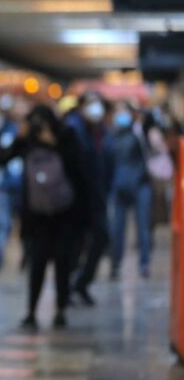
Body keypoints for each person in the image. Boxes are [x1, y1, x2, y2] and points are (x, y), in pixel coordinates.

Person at [0, 104, 86, 330]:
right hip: (37, 216)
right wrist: (19, 138)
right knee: (37, 264)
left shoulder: (66, 135)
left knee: (62, 264)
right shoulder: (28, 139)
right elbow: (0, 159)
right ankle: (31, 311)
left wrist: (54, 143)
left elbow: (80, 168)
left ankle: (61, 309)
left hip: (64, 213)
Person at [66, 92, 114, 306]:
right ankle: (66, 287)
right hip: (77, 199)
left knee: (101, 239)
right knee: (75, 246)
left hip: (98, 197)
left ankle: (82, 283)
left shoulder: (102, 132)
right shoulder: (73, 129)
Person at [108, 101, 153, 279]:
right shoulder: (110, 136)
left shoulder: (140, 132)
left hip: (140, 185)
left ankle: (144, 264)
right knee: (117, 229)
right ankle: (116, 264)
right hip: (119, 188)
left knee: (143, 228)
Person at [0, 94, 26, 273]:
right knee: (3, 222)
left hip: (26, 187)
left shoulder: (31, 130)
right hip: (6, 185)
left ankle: (28, 256)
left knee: (25, 225)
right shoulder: (3, 130)